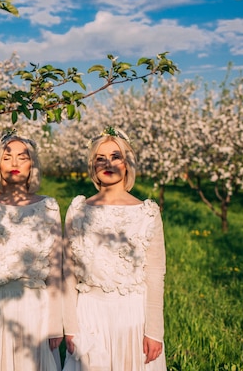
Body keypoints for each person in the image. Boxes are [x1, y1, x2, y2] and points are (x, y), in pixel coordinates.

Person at [62, 127, 167, 371]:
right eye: (100, 158)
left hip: (133, 317)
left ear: (127, 163)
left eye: (115, 156)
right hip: (89, 314)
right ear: (93, 165)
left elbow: (155, 274)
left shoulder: (147, 212)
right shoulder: (78, 210)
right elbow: (67, 273)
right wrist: (70, 326)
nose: (108, 163)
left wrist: (154, 331)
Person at [0, 133, 64, 371]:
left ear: (32, 165)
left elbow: (57, 270)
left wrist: (55, 322)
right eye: (8, 157)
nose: (15, 164)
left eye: (22, 157)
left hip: (36, 309)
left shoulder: (48, 206)